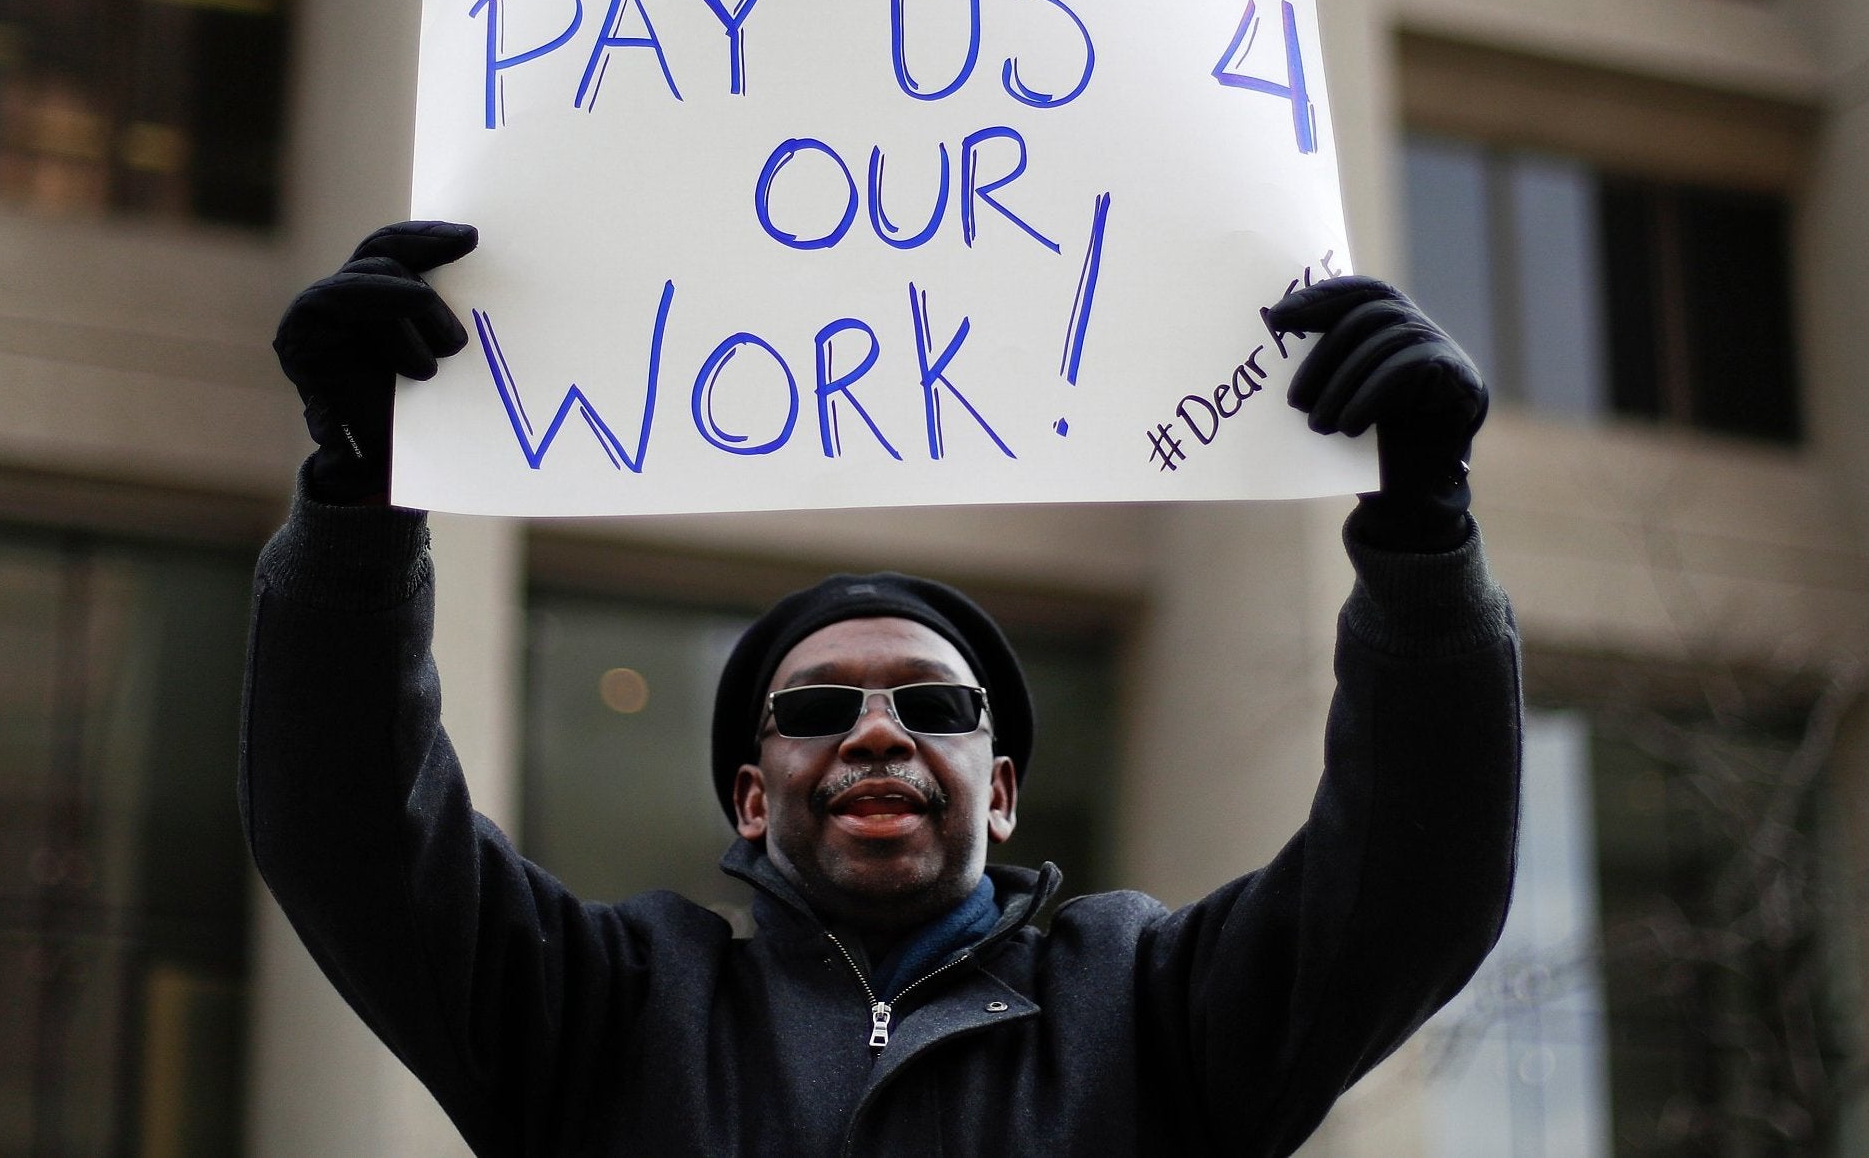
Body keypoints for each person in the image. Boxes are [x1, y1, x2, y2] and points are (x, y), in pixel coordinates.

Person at [246, 221, 1521, 1157]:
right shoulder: (610, 1008)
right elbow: (352, 831)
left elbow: (1409, 885)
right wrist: (357, 500)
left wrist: (1423, 538)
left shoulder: (1147, 1004)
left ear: (1001, 787)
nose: (873, 730)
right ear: (752, 795)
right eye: (812, 710)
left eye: (933, 705)